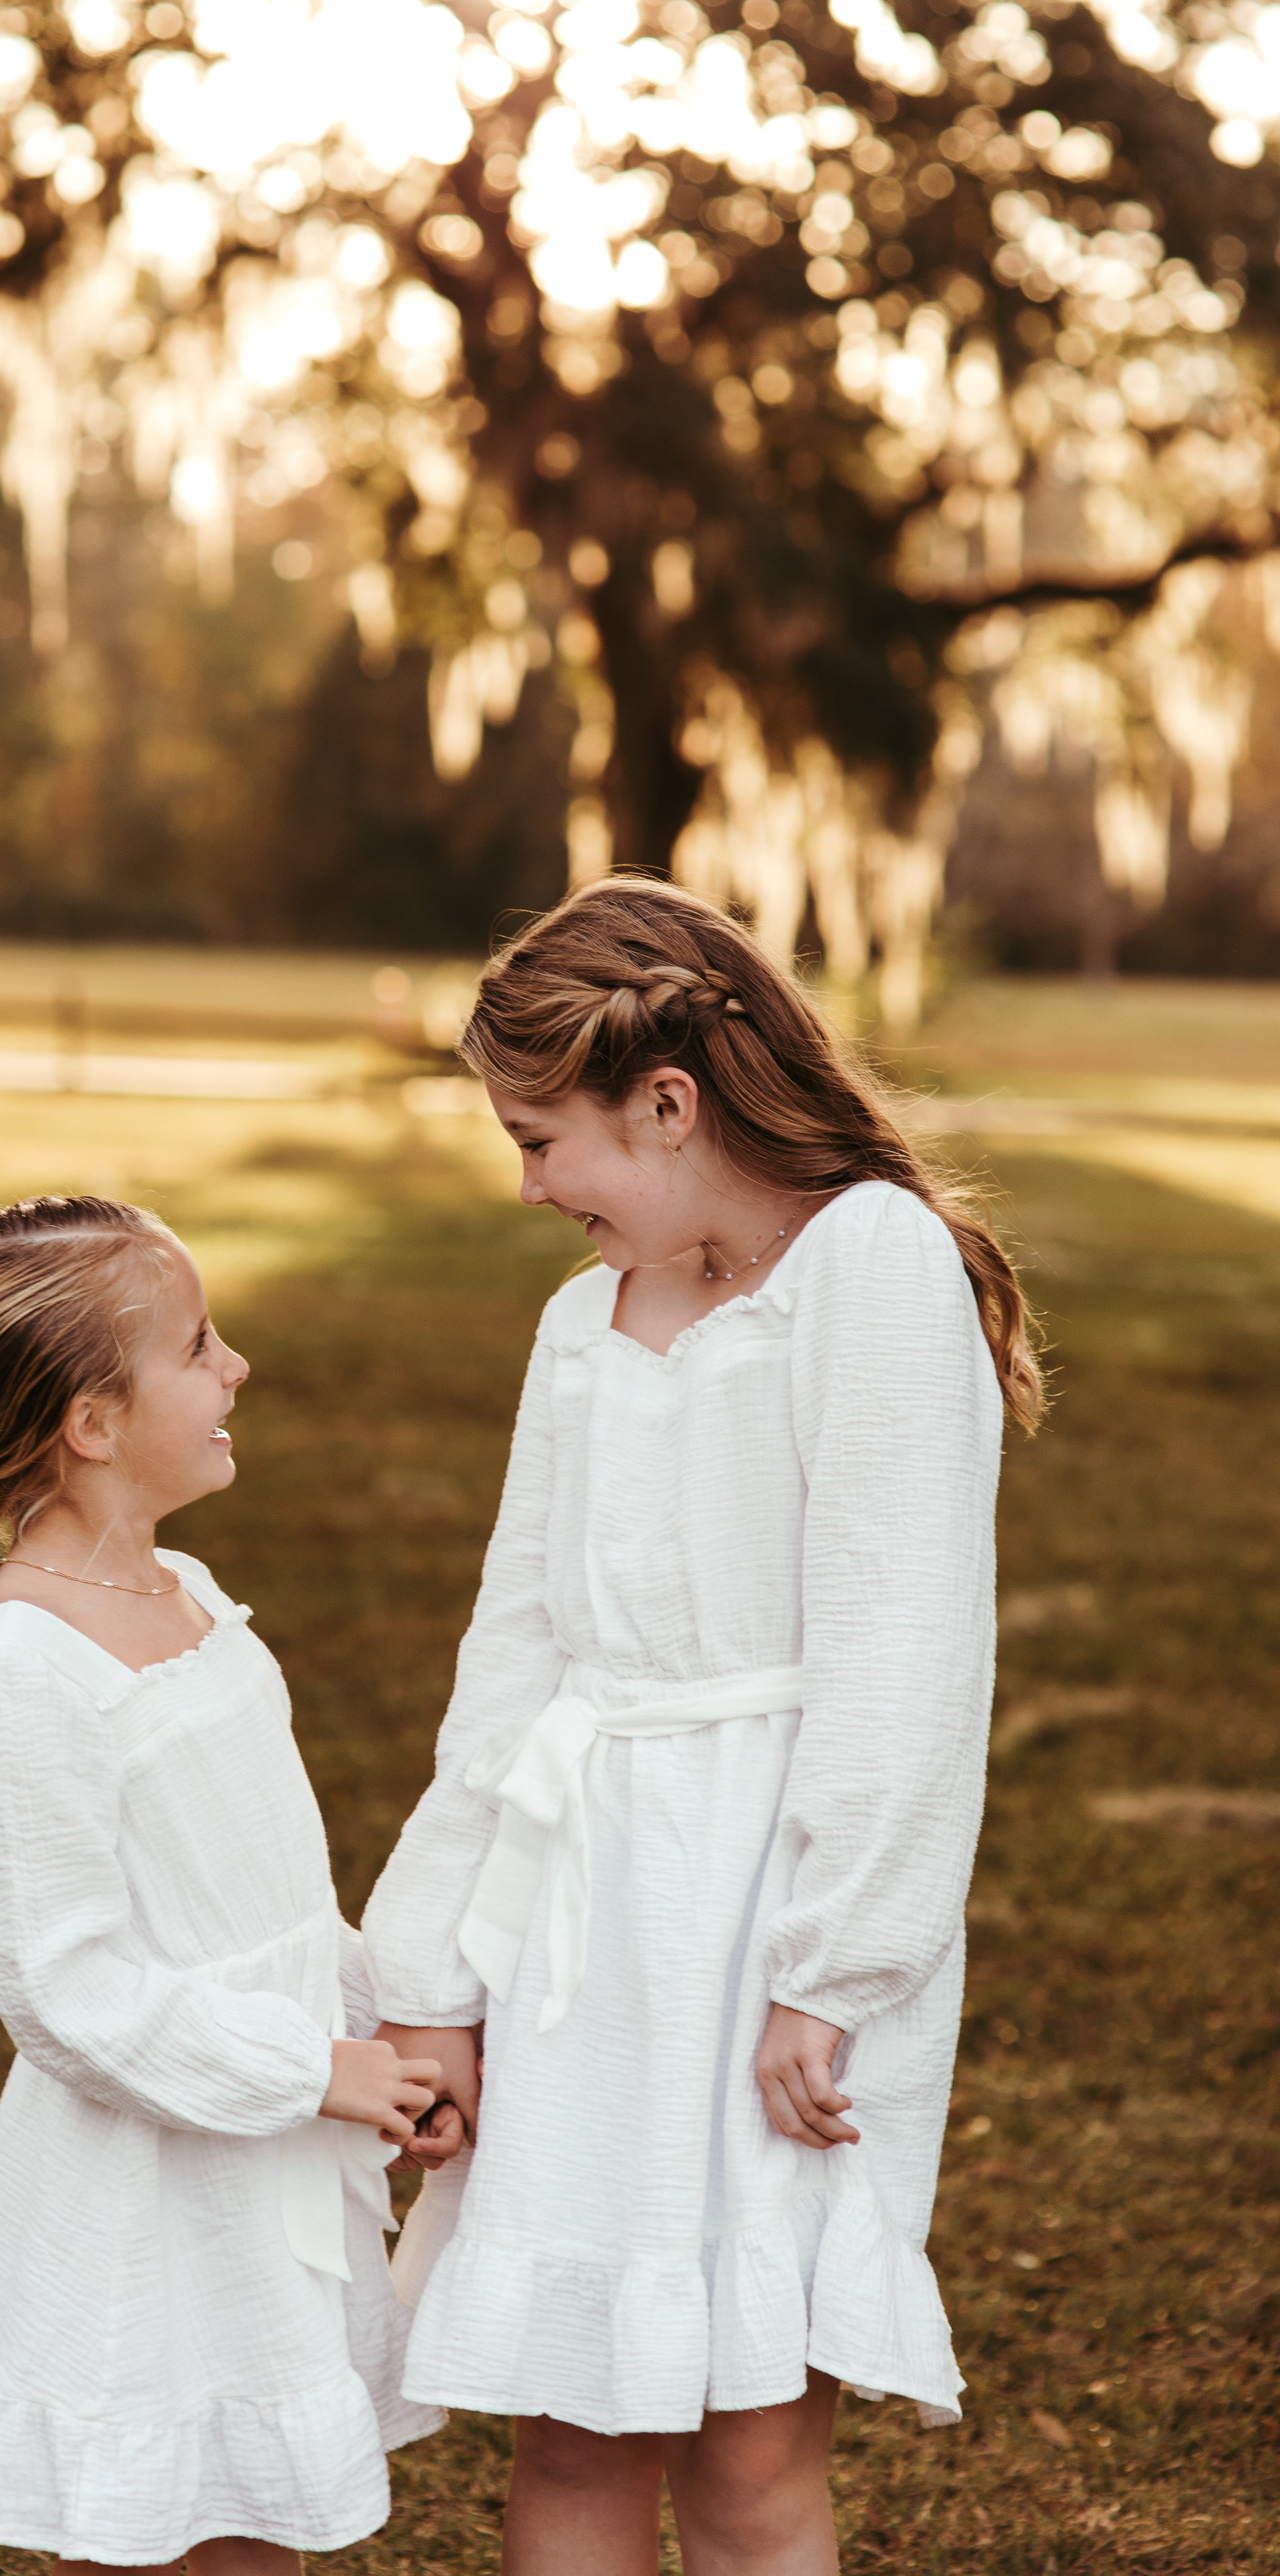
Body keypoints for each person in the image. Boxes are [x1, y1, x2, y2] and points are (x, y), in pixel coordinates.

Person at [361, 879, 1044, 2576]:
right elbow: (509, 1660)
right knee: (572, 2431)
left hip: (770, 1916)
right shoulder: (577, 1323)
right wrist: (438, 1981)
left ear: (666, 1105)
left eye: (541, 1139)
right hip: (588, 1929)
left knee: (748, 2454)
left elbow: (905, 1647)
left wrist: (836, 1965)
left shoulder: (868, 1267)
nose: (524, 1186)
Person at [0, 1195, 444, 2575]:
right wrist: (311, 2068)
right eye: (198, 1347)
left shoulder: (186, 1592)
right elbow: (65, 1994)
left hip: (264, 2160)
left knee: (257, 2526)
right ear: (92, 1424)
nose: (235, 1366)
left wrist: (383, 2036)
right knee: (168, 2524)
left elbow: (271, 1902)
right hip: (154, 2196)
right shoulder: (30, 1662)